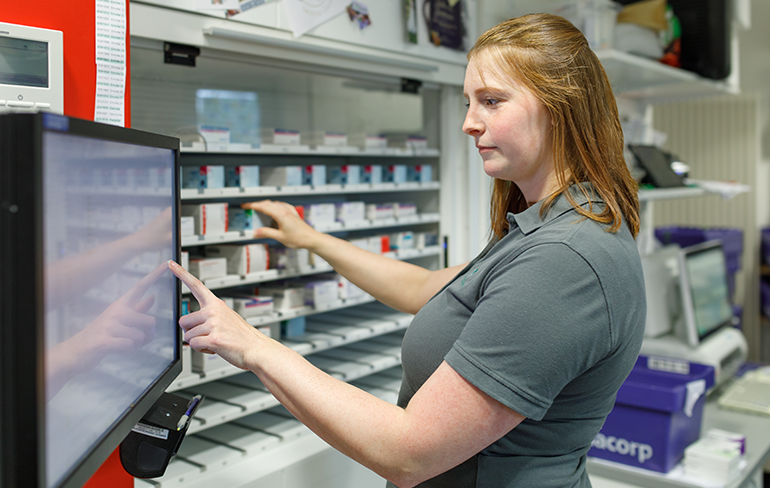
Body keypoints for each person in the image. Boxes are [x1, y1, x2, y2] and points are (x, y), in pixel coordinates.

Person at [169, 12, 646, 488]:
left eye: (491, 101)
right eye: (468, 102)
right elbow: (423, 288)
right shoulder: (550, 224)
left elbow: (408, 454)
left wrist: (254, 346)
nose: (468, 123)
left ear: (561, 107)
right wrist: (311, 239)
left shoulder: (565, 260)